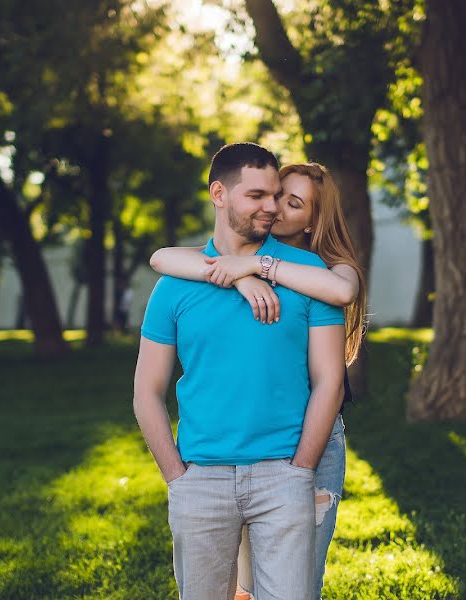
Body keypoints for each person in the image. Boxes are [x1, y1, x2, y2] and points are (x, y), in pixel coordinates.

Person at [134, 143, 347, 600]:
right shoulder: (175, 284)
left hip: (283, 475)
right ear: (219, 194)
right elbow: (146, 392)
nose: (271, 207)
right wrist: (177, 478)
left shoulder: (307, 272)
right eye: (256, 196)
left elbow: (331, 380)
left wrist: (300, 470)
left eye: (276, 196)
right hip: (200, 479)